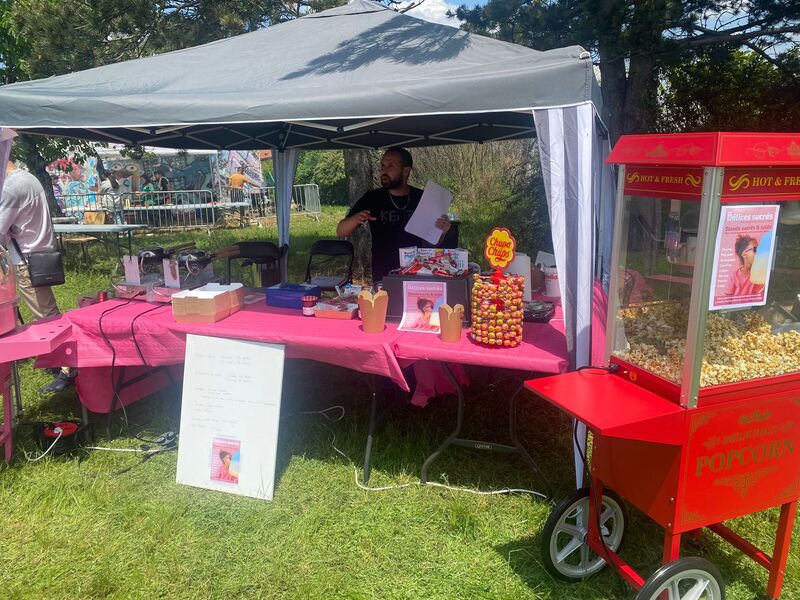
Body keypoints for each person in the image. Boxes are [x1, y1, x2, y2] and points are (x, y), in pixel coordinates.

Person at [0, 160, 76, 393]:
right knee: (46, 315)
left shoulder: (11, 187)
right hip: (37, 256)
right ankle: (60, 362)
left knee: (47, 319)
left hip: (27, 261)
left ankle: (69, 368)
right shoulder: (27, 178)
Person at [336, 147, 455, 283]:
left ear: (406, 171)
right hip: (383, 274)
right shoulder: (372, 198)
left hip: (417, 272)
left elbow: (431, 242)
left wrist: (442, 231)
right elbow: (341, 231)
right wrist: (355, 219)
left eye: (391, 166)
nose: (384, 170)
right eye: (382, 165)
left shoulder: (422, 198)